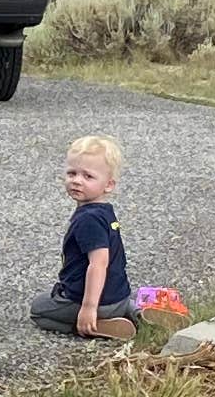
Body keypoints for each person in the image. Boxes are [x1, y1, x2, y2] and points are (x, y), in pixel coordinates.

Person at [32, 132, 172, 340]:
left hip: (95, 301)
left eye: (87, 176)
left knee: (38, 309)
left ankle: (92, 325)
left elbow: (98, 264)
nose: (77, 181)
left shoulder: (87, 220)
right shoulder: (105, 211)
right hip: (119, 296)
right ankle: (137, 313)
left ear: (109, 185)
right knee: (129, 296)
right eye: (72, 173)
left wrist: (89, 307)